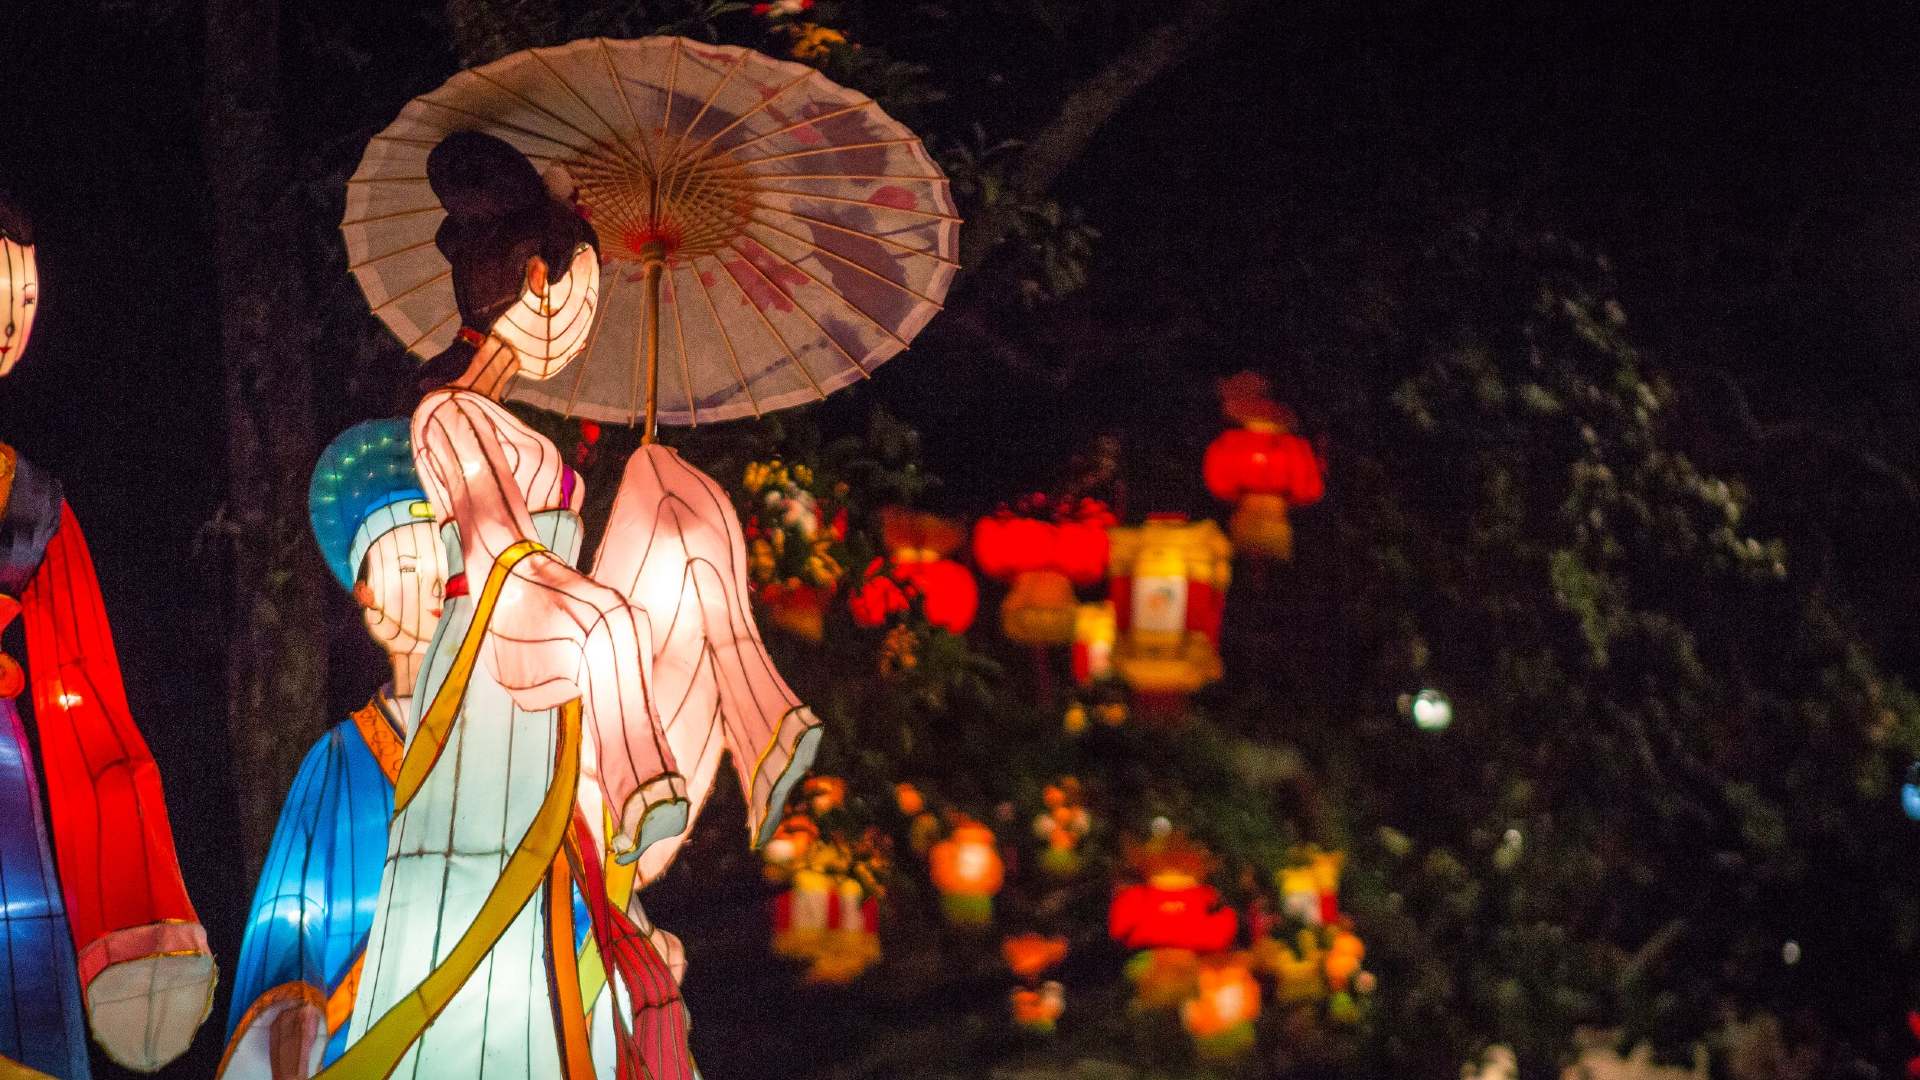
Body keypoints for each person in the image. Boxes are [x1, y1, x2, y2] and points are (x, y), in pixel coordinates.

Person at [343, 130, 695, 1080]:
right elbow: (497, 547)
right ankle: (641, 789)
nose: (585, 325)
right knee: (609, 628)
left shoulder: (500, 415)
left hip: (536, 641)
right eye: (583, 295)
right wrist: (592, 617)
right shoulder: (448, 412)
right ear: (541, 280)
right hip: (490, 639)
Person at [0, 189, 216, 1076]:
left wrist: (134, 913)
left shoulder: (30, 498)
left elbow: (86, 690)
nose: (10, 322)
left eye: (19, 301)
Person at [218, 419, 447, 1078]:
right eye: (407, 567)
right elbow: (292, 905)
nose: (429, 591)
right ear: (365, 595)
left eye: (441, 571)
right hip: (362, 1030)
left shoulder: (497, 749)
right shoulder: (337, 760)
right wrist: (295, 1002)